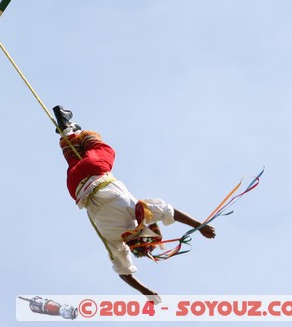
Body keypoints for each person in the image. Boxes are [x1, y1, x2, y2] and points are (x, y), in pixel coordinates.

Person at [52, 106, 216, 302]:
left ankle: (77, 131)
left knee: (103, 151)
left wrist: (200, 226)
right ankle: (68, 132)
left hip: (96, 173)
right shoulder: (115, 240)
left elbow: (170, 211)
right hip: (75, 188)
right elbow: (123, 272)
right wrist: (145, 291)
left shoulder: (138, 215)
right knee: (73, 159)